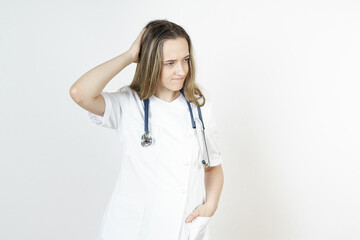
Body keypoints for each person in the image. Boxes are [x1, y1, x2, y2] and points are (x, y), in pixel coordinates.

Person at [69, 19, 224, 240]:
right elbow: (79, 93)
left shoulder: (199, 108)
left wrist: (211, 206)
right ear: (150, 63)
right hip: (134, 229)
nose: (181, 70)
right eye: (169, 63)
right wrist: (130, 55)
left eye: (185, 60)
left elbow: (214, 167)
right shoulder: (128, 104)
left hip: (183, 227)